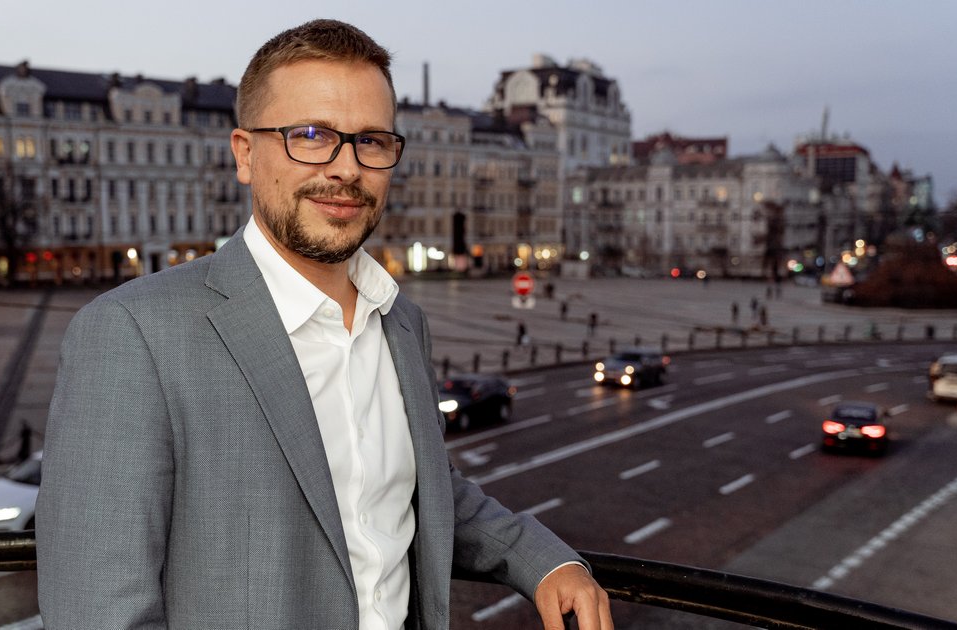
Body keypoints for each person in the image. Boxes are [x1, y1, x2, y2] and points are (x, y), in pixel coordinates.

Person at [36, 19, 611, 630]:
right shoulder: (131, 333)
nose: (346, 168)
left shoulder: (401, 321)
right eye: (310, 136)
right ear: (245, 154)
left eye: (371, 141)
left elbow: (417, 489)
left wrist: (541, 560)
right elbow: (97, 610)